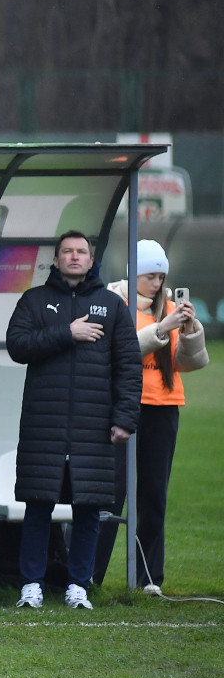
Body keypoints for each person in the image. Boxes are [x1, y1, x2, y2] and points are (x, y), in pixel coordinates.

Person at [6, 230, 141, 610]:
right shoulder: (34, 300)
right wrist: (67, 333)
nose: (75, 256)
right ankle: (31, 585)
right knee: (38, 506)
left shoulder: (112, 306)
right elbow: (17, 346)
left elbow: (129, 367)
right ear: (56, 259)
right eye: (68, 251)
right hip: (43, 424)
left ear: (91, 259)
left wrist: (124, 418)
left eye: (81, 251)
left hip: (94, 426)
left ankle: (79, 585)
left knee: (88, 508)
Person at [94, 239, 209, 591]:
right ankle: (88, 576)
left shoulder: (170, 308)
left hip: (164, 406)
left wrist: (190, 332)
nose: (157, 284)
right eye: (150, 276)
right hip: (123, 406)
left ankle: (149, 579)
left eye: (161, 277)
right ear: (134, 275)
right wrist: (162, 327)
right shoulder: (115, 303)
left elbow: (188, 364)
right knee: (110, 493)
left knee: (153, 496)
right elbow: (120, 351)